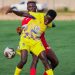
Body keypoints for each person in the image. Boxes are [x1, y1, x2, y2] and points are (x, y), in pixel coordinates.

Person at [6, 0, 58, 75]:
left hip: (37, 42)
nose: (47, 21)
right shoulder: (35, 16)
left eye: (33, 6)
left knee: (47, 61)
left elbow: (52, 24)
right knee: (26, 61)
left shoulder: (46, 20)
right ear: (27, 8)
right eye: (30, 7)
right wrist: (13, 11)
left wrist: (52, 23)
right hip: (26, 41)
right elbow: (22, 14)